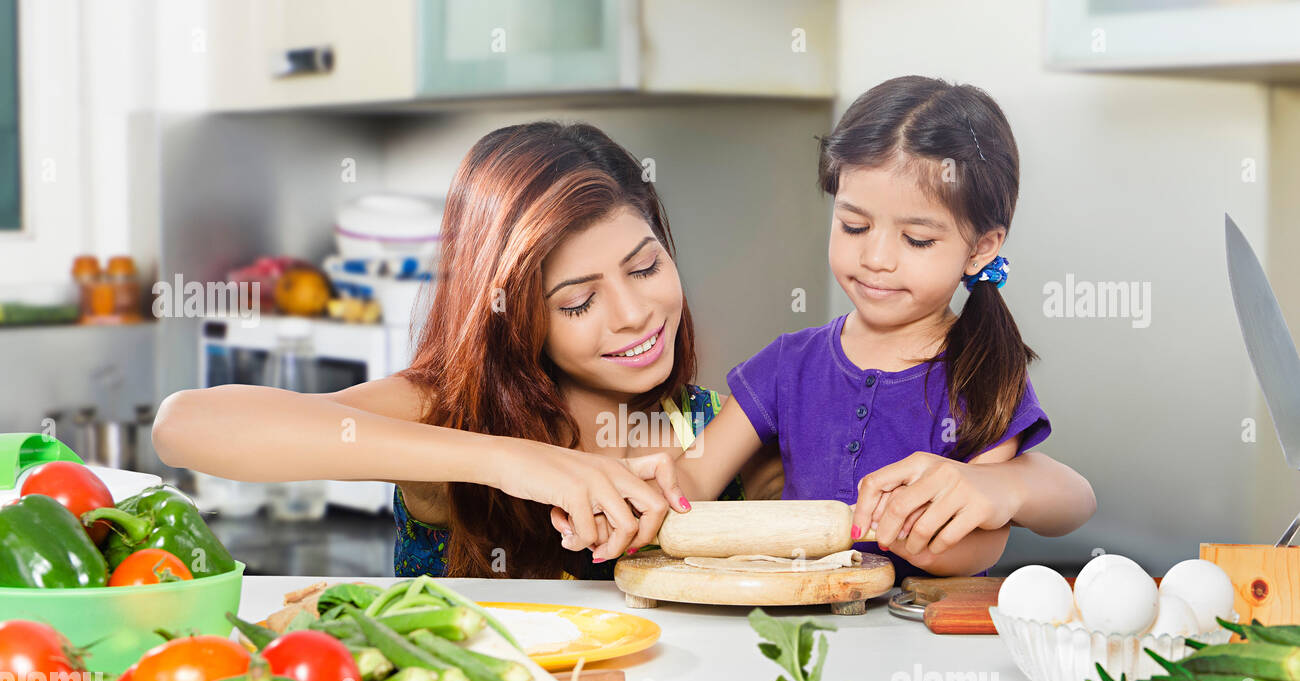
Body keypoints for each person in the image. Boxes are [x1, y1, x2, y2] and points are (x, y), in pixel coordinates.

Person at [152, 122, 781, 580]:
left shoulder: (724, 427)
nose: (633, 314)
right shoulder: (447, 409)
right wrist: (513, 461)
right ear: (511, 315)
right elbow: (185, 427)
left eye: (645, 268)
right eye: (577, 304)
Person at [567, 76, 1096, 579]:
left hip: (921, 636)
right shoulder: (787, 365)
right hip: (801, 616)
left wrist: (939, 533)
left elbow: (1014, 529)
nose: (876, 258)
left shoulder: (981, 371)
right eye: (854, 226)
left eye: (916, 240)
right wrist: (634, 498)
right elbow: (695, 479)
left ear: (980, 248)